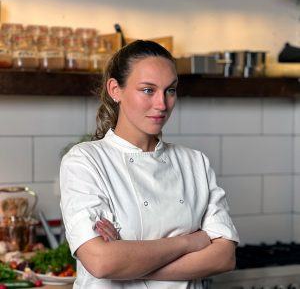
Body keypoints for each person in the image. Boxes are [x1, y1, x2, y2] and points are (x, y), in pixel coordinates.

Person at [60, 40, 239, 289]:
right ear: (115, 89)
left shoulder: (194, 162)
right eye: (147, 90)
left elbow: (224, 257)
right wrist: (190, 242)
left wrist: (128, 262)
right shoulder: (85, 161)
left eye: (170, 90)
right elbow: (101, 263)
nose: (162, 104)